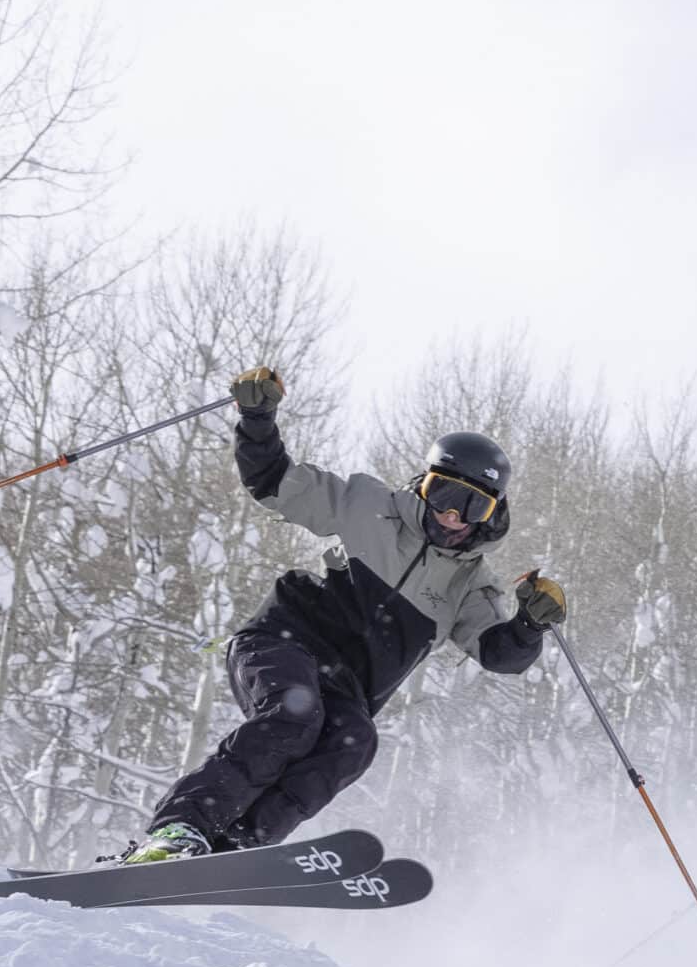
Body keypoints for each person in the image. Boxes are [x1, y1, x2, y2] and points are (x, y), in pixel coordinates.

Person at [122, 366, 566, 862]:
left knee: (352, 744)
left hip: (348, 688)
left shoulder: (471, 585)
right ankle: (182, 828)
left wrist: (530, 623)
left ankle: (237, 845)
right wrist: (257, 418)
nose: (452, 517)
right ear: (424, 485)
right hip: (284, 641)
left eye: (472, 506)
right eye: (444, 495)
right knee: (295, 716)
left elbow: (501, 654)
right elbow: (274, 482)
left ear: (493, 512)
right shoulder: (367, 505)